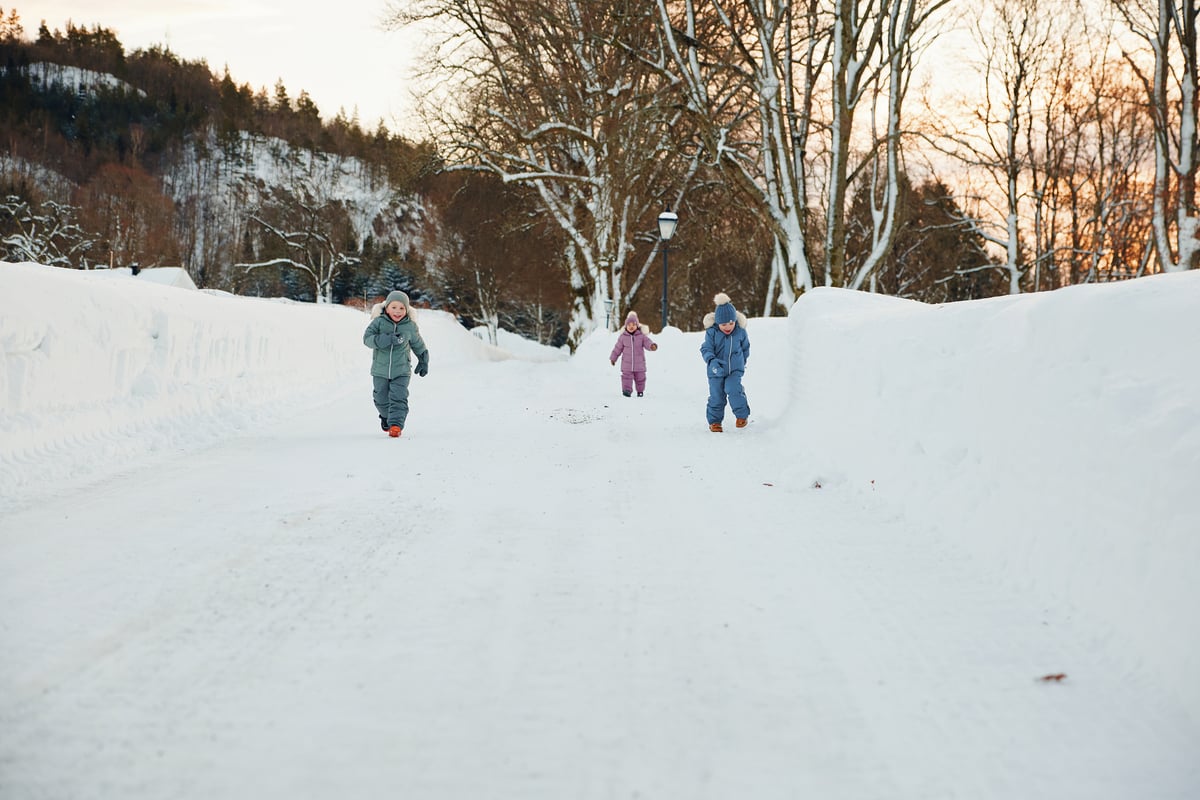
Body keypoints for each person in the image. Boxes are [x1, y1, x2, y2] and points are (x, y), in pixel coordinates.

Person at [363, 290, 429, 437]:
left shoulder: (410, 326)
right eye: (394, 307)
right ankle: (386, 417)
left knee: (398, 397)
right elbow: (367, 339)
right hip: (380, 370)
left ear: (406, 310)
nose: (397, 311)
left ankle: (396, 425)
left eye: (402, 308)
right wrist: (386, 339)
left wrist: (424, 359)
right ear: (386, 308)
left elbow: (418, 344)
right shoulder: (378, 322)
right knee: (380, 398)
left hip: (402, 370)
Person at [699, 292, 750, 432]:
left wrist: (741, 362)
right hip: (715, 371)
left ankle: (741, 416)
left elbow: (745, 348)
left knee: (733, 389)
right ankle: (715, 421)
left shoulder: (740, 332)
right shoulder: (712, 333)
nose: (727, 327)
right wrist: (712, 361)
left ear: (735, 320)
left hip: (734, 370)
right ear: (717, 323)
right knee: (717, 395)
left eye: (731, 323)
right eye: (723, 324)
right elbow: (706, 348)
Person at [609, 310, 658, 397]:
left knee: (640, 378)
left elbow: (647, 342)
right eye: (629, 325)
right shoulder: (623, 337)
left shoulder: (641, 336)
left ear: (637, 326)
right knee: (626, 378)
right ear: (626, 326)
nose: (631, 327)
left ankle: (640, 391)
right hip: (626, 364)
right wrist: (613, 358)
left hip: (639, 364)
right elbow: (617, 349)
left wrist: (651, 346)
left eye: (633, 325)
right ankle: (627, 390)